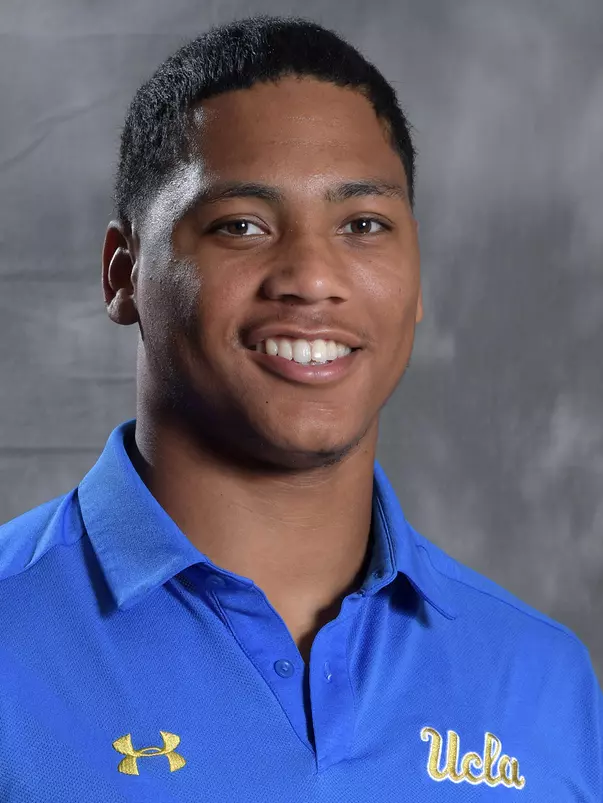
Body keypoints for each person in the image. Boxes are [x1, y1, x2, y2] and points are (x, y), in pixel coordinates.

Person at [0, 14, 601, 802]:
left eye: (363, 225)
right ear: (123, 274)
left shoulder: (542, 680)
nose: (312, 278)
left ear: (417, 276)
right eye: (241, 226)